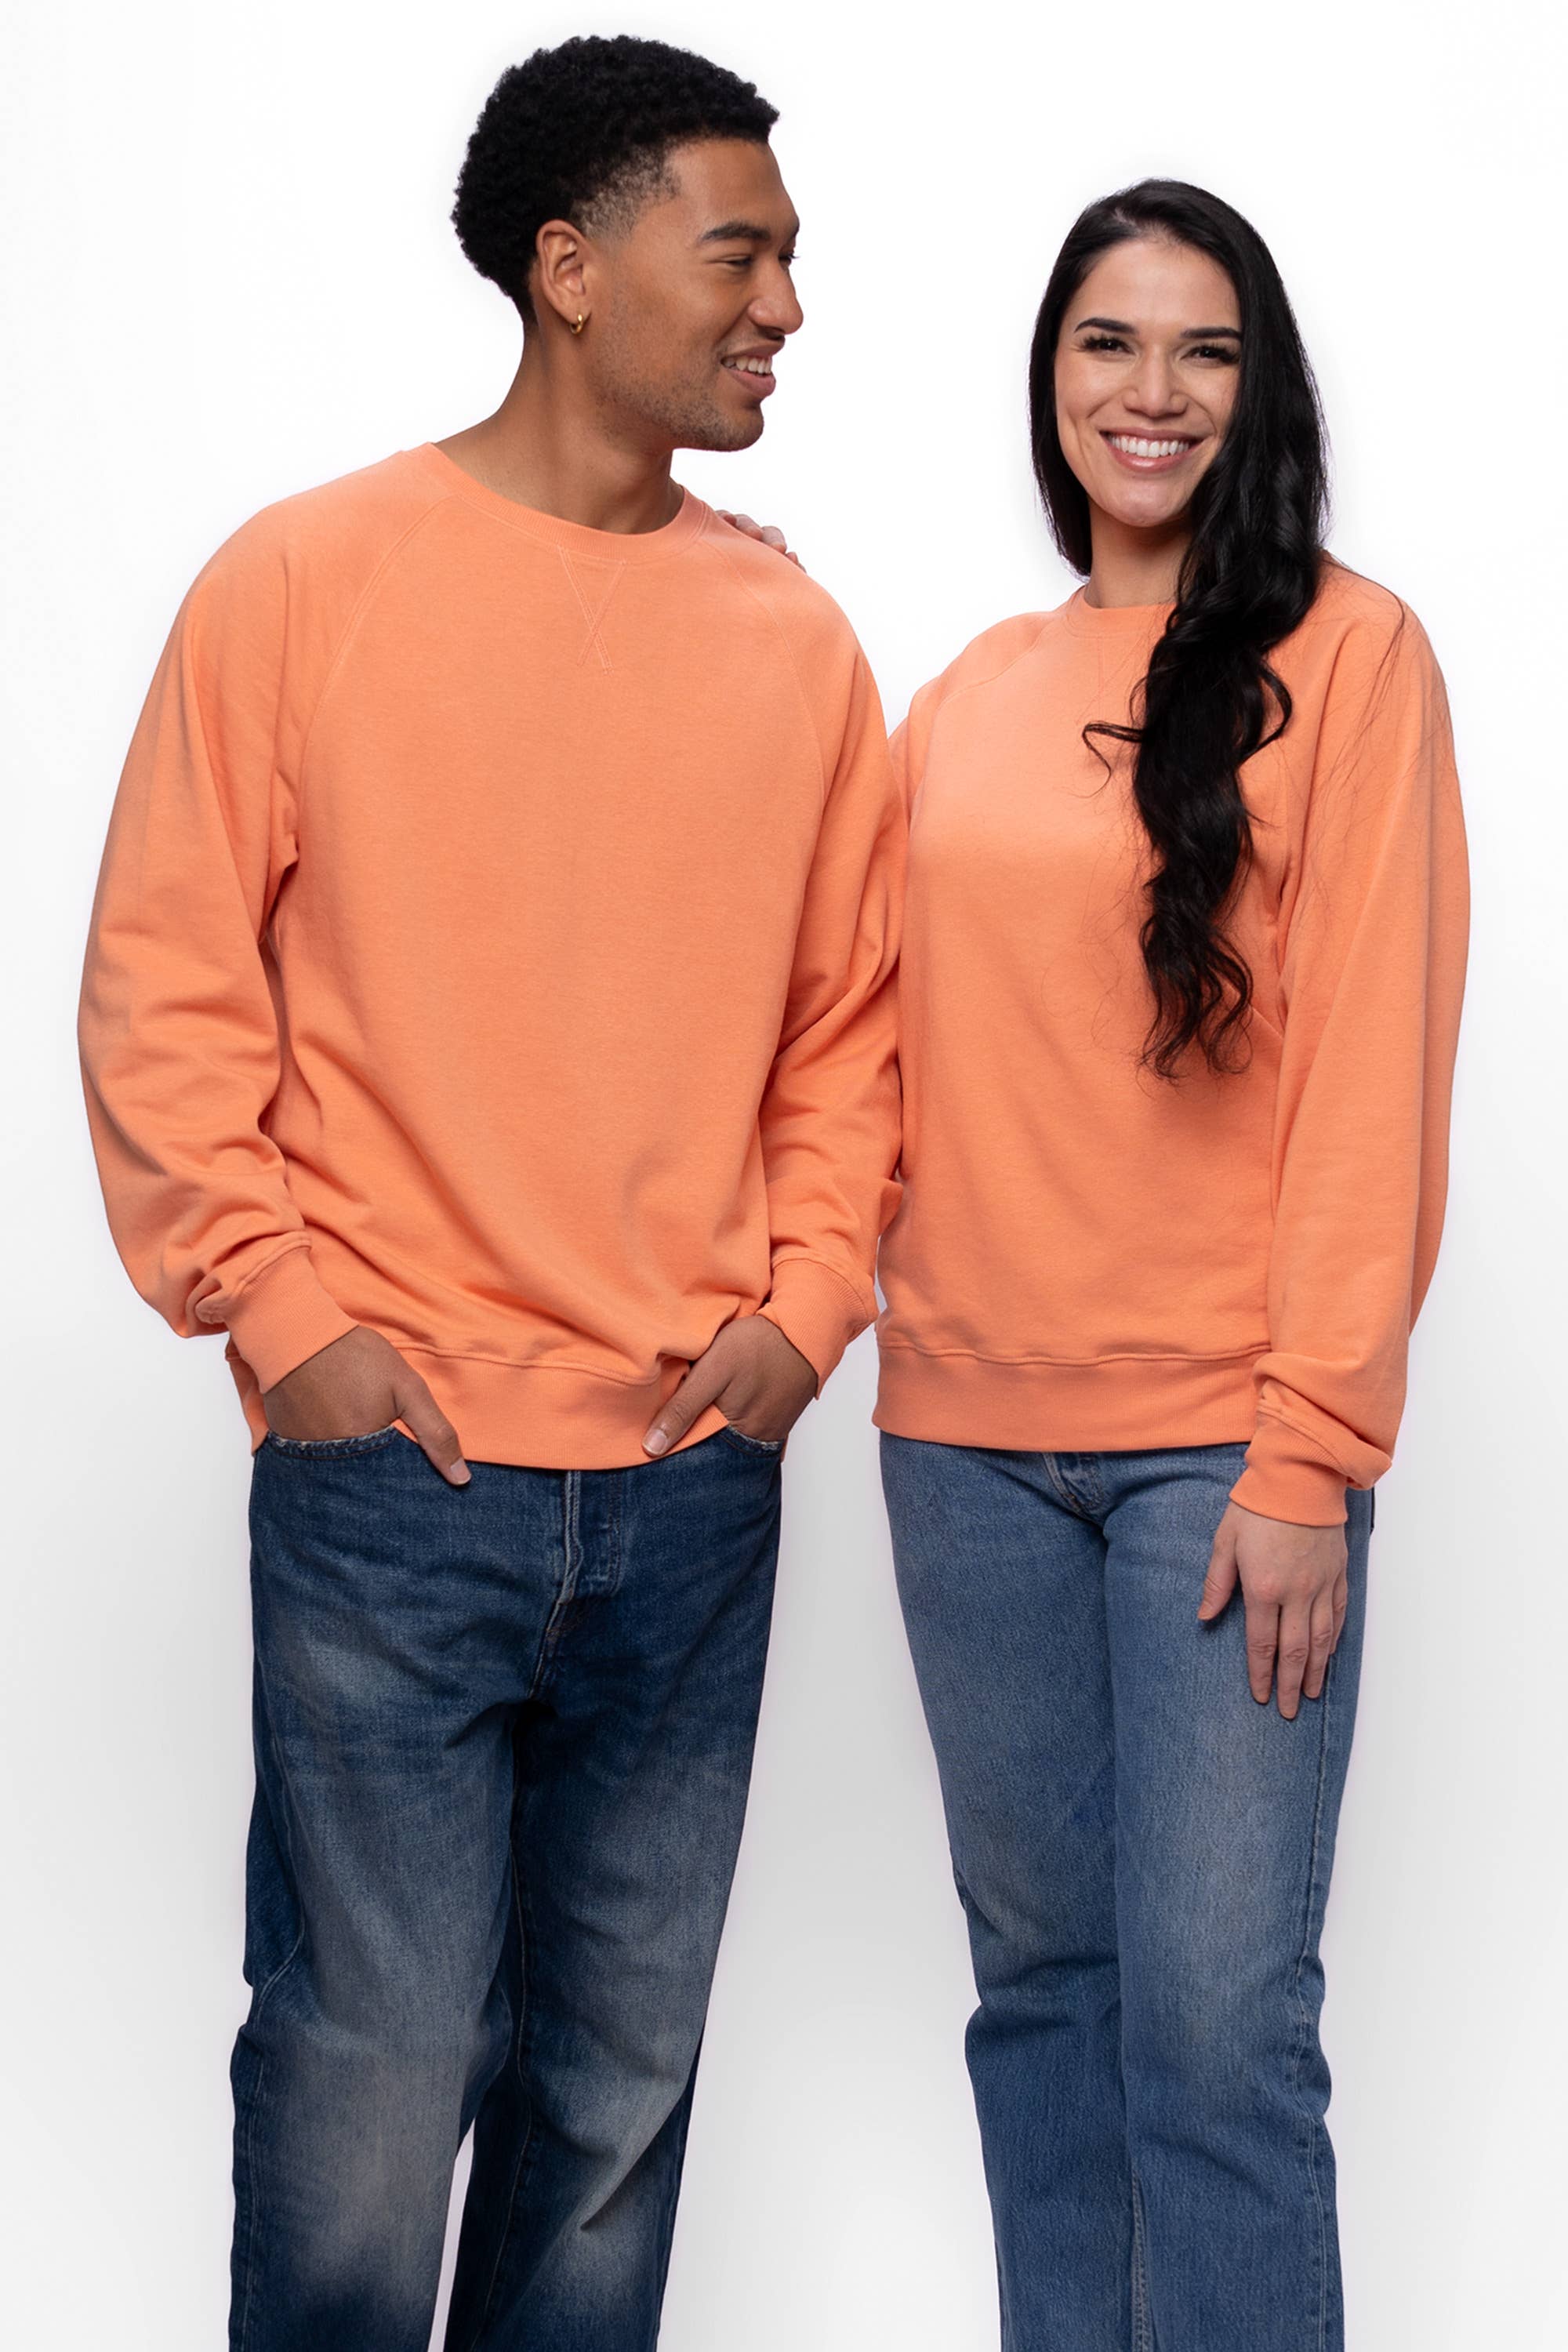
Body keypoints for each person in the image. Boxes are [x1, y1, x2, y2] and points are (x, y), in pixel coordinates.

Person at [77, 36, 901, 2352]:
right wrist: (282, 1319)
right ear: (572, 267)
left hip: (687, 1485)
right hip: (395, 1481)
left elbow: (849, 1036)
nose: (786, 307)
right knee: (365, 2092)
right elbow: (164, 984)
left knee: (613, 2117)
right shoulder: (306, 581)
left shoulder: (797, 642)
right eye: (741, 252)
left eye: (791, 260)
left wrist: (805, 1311)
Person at [873, 183, 1468, 2350]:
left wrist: (1314, 1452)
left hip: (1224, 1456)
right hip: (962, 1446)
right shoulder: (966, 696)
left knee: (1218, 2040)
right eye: (1108, 343)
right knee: (1042, 2004)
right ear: (1050, 378)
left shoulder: (1355, 659)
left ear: (1261, 387)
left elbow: (1376, 1070)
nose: (1153, 392)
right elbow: (856, 1043)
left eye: (1205, 349)